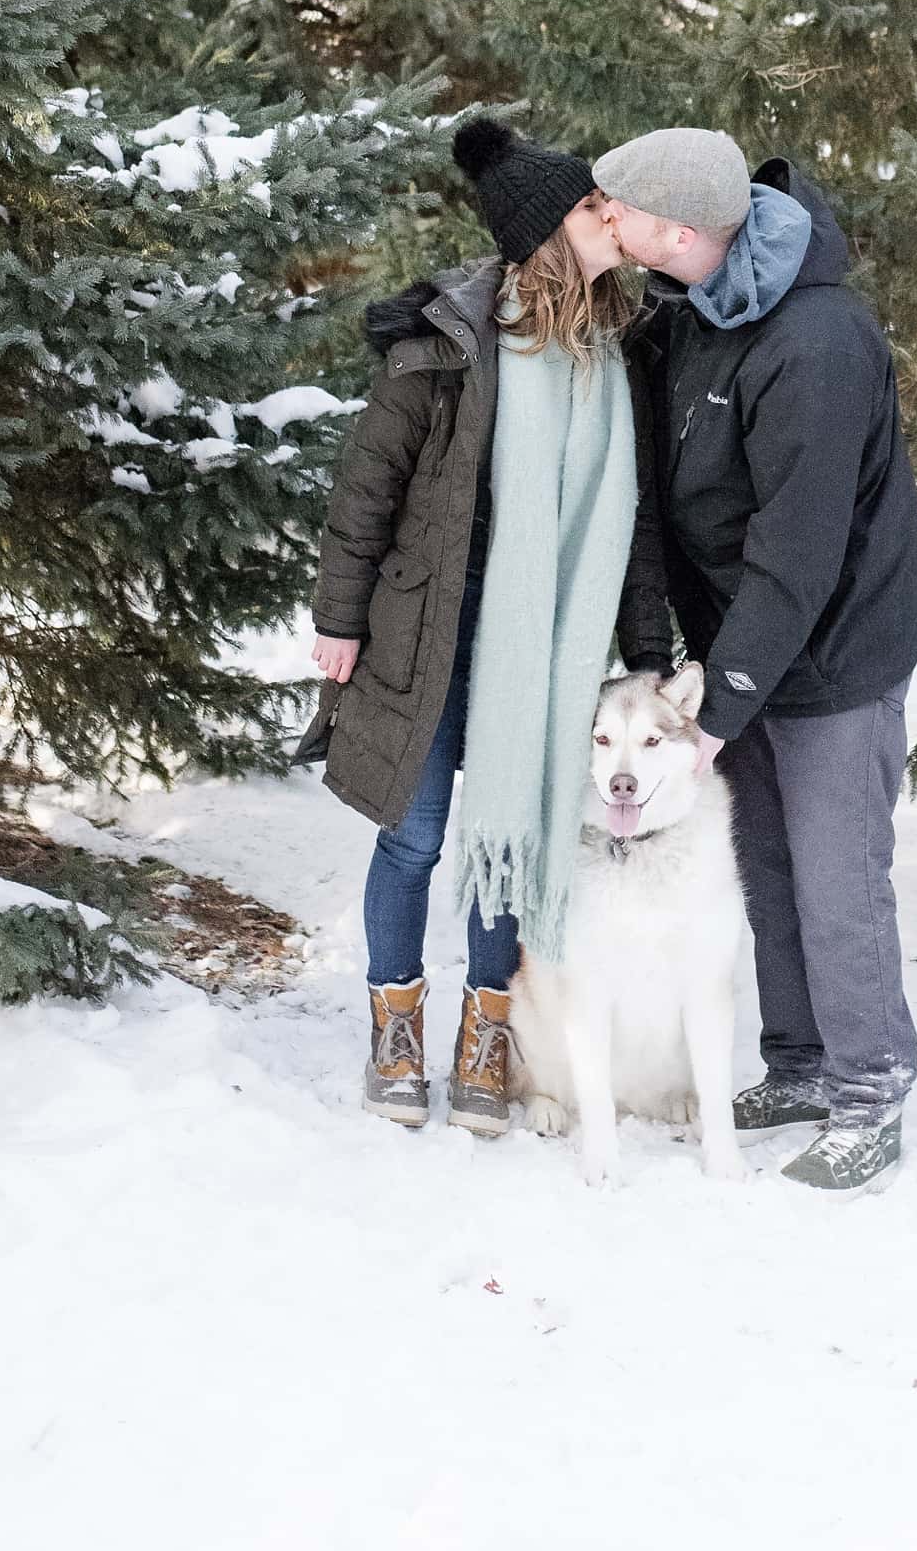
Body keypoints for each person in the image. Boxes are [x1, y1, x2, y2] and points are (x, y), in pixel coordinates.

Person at [302, 116, 670, 1133]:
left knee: (511, 840)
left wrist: (646, 652)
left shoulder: (614, 356)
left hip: (542, 650)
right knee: (415, 842)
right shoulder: (446, 346)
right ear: (546, 232)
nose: (610, 216)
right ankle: (395, 1025)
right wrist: (338, 620)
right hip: (425, 636)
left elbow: (625, 524)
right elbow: (365, 491)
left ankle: (486, 1029)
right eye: (592, 206)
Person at [592, 127, 917, 1194]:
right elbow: (655, 498)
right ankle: (796, 1064)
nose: (604, 224)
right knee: (769, 867)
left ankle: (868, 1090)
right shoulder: (689, 315)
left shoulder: (817, 342)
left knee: (836, 877)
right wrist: (654, 662)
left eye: (618, 211)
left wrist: (716, 712)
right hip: (744, 639)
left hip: (836, 644)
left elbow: (796, 551)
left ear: (678, 229)